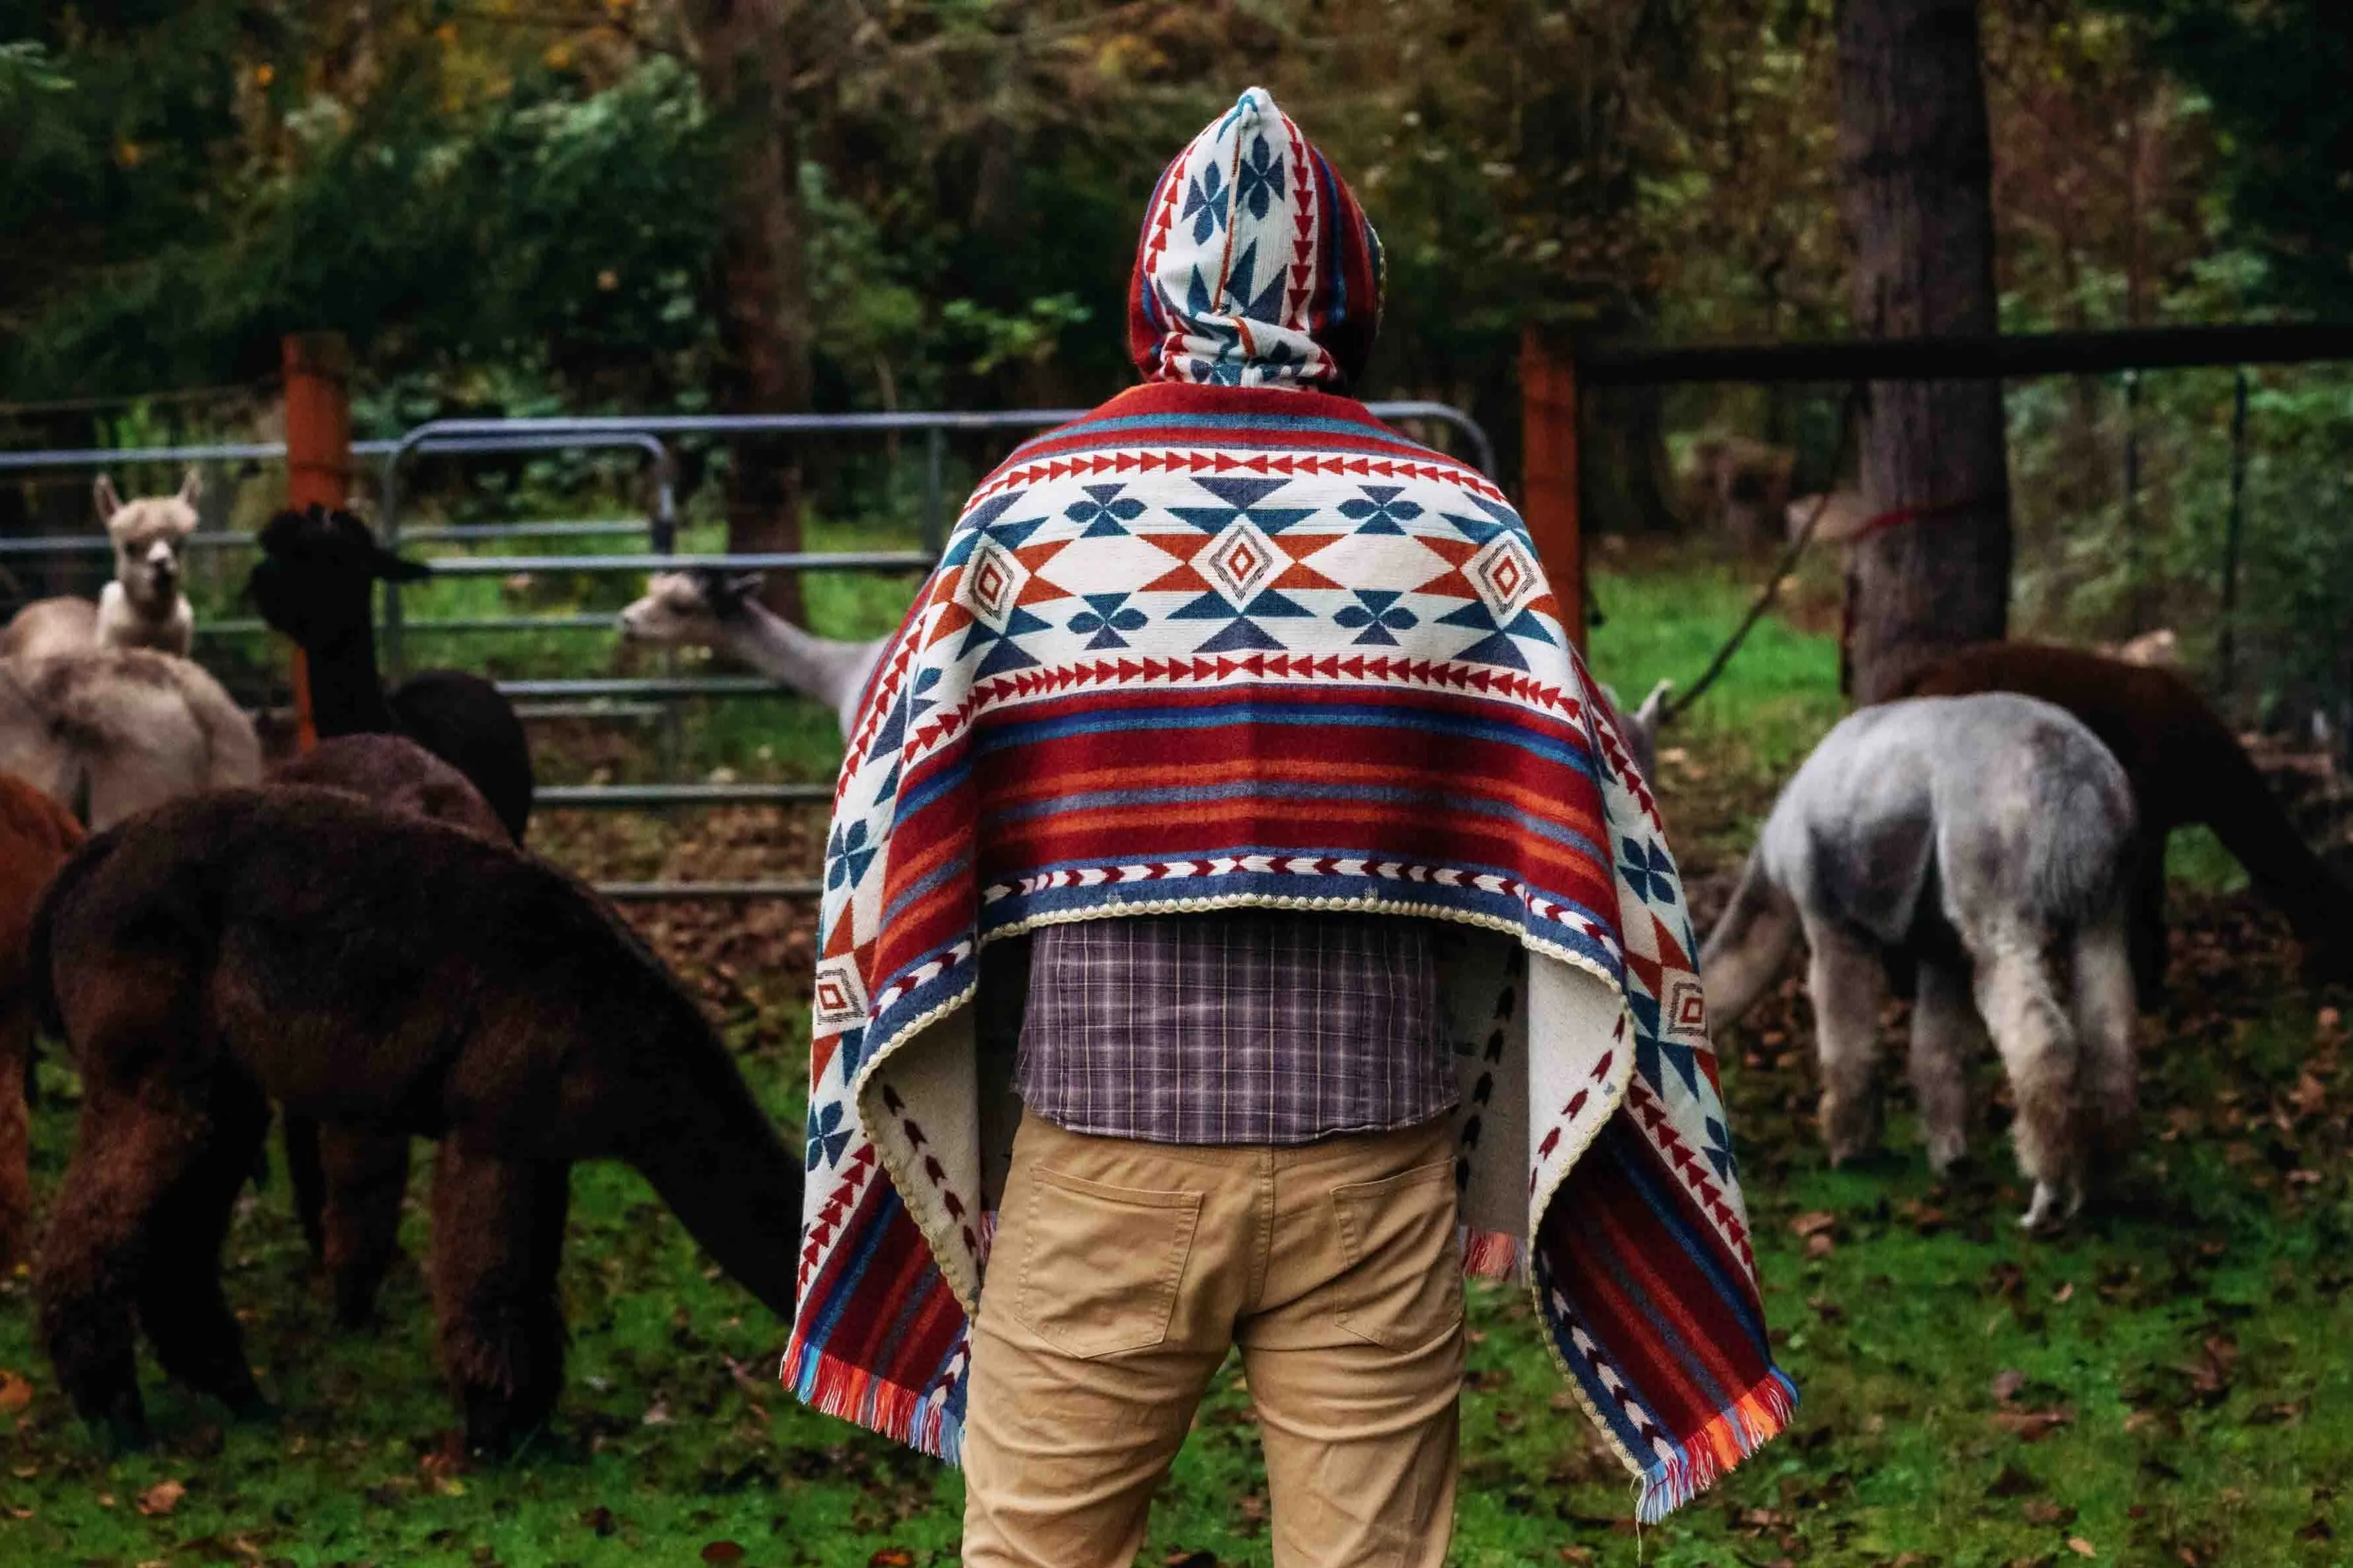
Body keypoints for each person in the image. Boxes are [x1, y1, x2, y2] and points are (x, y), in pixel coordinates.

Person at [786, 87, 1793, 1567]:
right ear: (1350, 291)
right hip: (1375, 1162)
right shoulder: (1454, 519)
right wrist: (1515, 1145)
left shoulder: (1031, 514)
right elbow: (1580, 858)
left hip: (1098, 1158)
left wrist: (968, 1129)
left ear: (1152, 283)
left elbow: (899, 834)